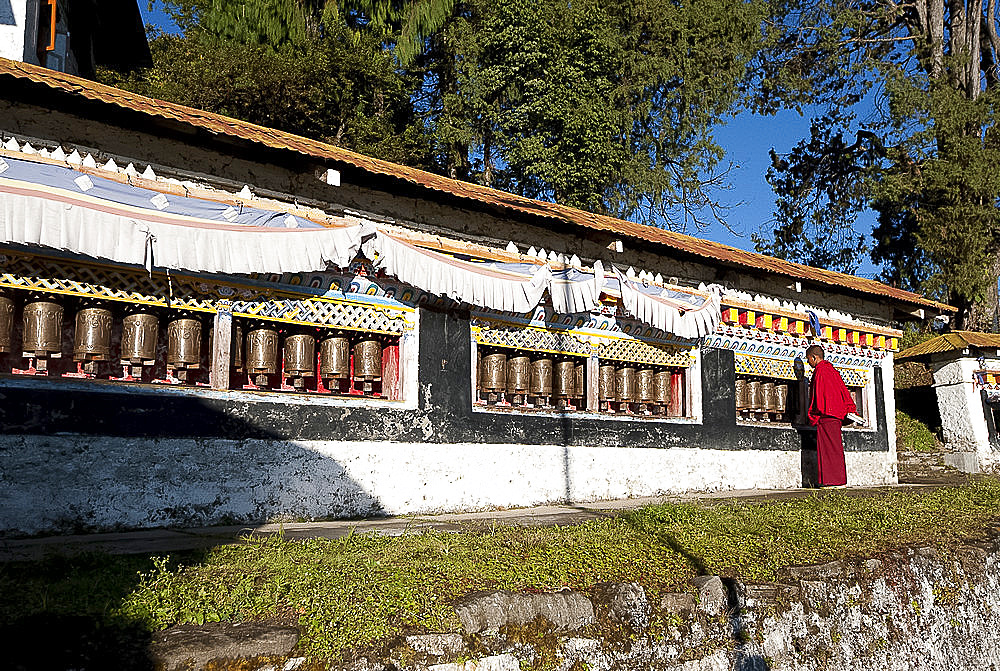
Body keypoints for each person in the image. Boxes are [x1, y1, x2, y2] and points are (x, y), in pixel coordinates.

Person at [805, 344, 856, 487]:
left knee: (828, 450)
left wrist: (814, 414)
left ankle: (831, 481)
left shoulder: (820, 371)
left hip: (826, 415)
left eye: (808, 359)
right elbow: (843, 391)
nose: (808, 363)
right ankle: (839, 480)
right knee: (835, 449)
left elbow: (819, 396)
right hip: (836, 416)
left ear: (814, 357)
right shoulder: (832, 371)